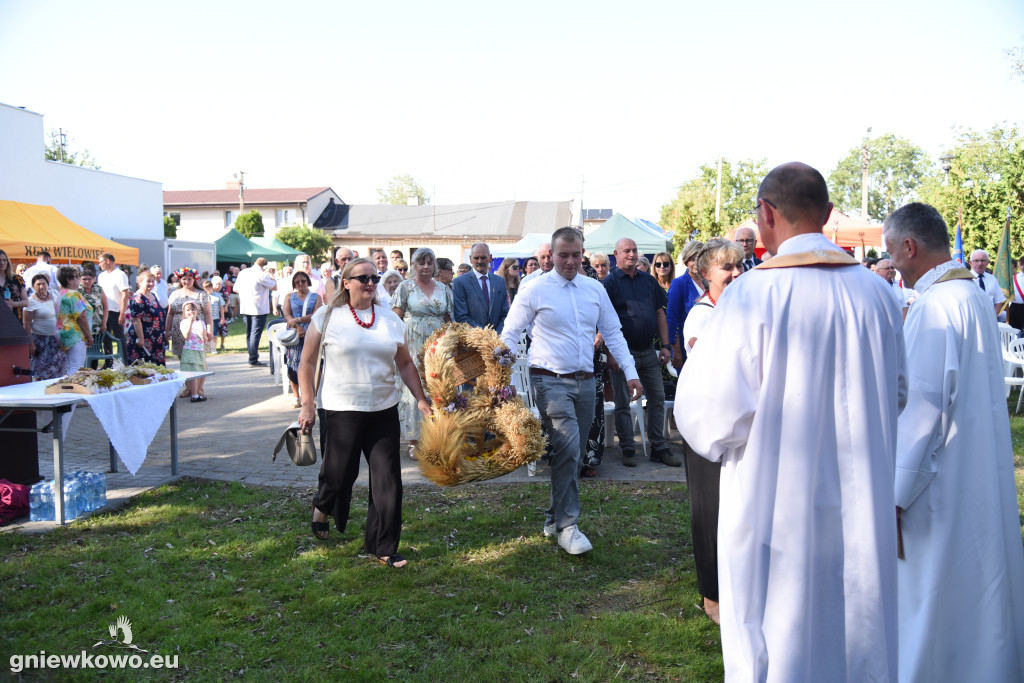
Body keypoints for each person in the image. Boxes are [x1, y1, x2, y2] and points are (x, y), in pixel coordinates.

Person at [676, 162, 906, 681]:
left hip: (776, 499)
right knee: (856, 629)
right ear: (827, 215)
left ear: (765, 216)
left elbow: (709, 418)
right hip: (859, 498)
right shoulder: (879, 295)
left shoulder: (751, 296)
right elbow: (897, 395)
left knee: (779, 631)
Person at [882, 202, 1024, 683]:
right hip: (973, 469)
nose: (892, 264)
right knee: (975, 589)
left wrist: (893, 497)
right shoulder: (971, 296)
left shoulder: (936, 307)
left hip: (936, 485)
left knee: (931, 596)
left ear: (909, 246)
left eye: (891, 253)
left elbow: (920, 412)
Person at [501, 227, 643, 555]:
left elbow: (612, 331)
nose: (568, 261)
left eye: (575, 255)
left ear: (583, 253)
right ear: (551, 255)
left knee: (574, 454)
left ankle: (553, 519)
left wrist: (632, 372)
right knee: (566, 447)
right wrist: (501, 372)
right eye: (562, 255)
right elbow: (510, 332)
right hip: (548, 380)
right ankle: (568, 525)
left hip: (587, 381)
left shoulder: (594, 289)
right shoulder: (534, 289)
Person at [299, 258, 431, 568]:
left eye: (374, 277)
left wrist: (421, 399)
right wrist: (307, 404)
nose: (370, 283)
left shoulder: (389, 320)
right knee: (339, 474)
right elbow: (306, 363)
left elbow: (406, 364)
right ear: (346, 282)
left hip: (383, 409)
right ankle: (323, 503)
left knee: (387, 480)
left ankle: (384, 546)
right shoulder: (327, 316)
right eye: (363, 278)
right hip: (339, 409)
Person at [677, 237, 744, 624]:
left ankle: (735, 584)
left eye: (739, 266)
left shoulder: (741, 308)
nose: (735, 273)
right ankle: (712, 595)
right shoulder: (702, 316)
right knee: (709, 510)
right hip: (705, 425)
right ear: (705, 274)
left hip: (737, 425)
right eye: (726, 268)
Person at [603, 238, 675, 467]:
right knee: (623, 403)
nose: (632, 254)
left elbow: (660, 314)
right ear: (616, 254)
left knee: (658, 399)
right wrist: (611, 354)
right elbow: (602, 322)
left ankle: (659, 448)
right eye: (627, 251)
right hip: (623, 354)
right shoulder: (609, 284)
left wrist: (665, 345)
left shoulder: (648, 281)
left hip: (648, 351)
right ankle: (628, 449)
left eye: (634, 250)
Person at [391, 248, 453, 456]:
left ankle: (436, 436)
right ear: (414, 265)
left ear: (435, 265)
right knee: (413, 391)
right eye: (421, 263)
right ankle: (414, 440)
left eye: (429, 262)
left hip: (437, 345)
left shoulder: (444, 289)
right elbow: (395, 318)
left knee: (437, 387)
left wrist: (452, 343)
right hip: (413, 345)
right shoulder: (405, 287)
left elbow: (448, 318)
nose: (425, 267)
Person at [166, 268, 213, 396]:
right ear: (180, 280)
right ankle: (189, 387)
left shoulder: (201, 294)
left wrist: (209, 330)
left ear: (194, 279)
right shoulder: (175, 294)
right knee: (184, 360)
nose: (186, 281)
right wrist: (167, 331)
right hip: (179, 331)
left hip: (198, 332)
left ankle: (199, 387)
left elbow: (208, 313)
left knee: (200, 359)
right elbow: (170, 314)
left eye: (189, 279)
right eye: (184, 279)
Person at [282, 270, 323, 408]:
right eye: (297, 281)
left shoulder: (316, 297)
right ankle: (296, 395)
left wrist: (299, 319)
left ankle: (313, 395)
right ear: (294, 284)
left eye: (303, 281)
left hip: (312, 331)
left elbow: (316, 314)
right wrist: (297, 326)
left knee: (315, 364)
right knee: (292, 364)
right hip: (294, 334)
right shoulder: (289, 297)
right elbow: (287, 314)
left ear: (308, 282)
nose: (300, 284)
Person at [453, 242, 509, 333]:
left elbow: (505, 314)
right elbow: (461, 316)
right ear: (470, 259)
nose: (479, 261)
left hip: (497, 340)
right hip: (472, 340)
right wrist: (484, 334)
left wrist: (496, 334)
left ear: (490, 258)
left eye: (483, 257)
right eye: (476, 258)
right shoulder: (460, 282)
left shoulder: (499, 281)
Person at [666, 241, 705, 370]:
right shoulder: (679, 284)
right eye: (691, 259)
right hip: (685, 346)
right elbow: (672, 320)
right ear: (686, 261)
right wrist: (676, 350)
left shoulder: (710, 281)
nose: (695, 262)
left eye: (698, 258)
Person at [234, 258, 276, 367]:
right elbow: (274, 286)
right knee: (255, 334)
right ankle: (253, 359)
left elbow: (235, 288)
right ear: (264, 266)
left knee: (249, 333)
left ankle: (252, 356)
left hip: (246, 306)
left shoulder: (243, 273)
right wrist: (271, 275)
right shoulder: (262, 274)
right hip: (259, 307)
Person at [23, 273, 66, 379]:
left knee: (58, 366)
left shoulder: (55, 294)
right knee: (40, 369)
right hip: (40, 340)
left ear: (48, 284)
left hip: (56, 338)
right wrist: (31, 343)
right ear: (33, 286)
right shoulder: (31, 301)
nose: (41, 287)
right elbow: (26, 324)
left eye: (44, 283)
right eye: (38, 284)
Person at [55, 266, 94, 375]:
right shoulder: (73, 294)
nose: (79, 280)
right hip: (75, 335)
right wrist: (89, 336)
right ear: (68, 279)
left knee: (69, 366)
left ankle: (68, 389)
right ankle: (73, 390)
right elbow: (81, 317)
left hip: (64, 335)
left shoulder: (61, 293)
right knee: (77, 367)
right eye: (76, 277)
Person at [124, 269, 166, 366]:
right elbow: (136, 319)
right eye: (148, 281)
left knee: (157, 369)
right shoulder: (138, 297)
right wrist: (141, 338)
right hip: (144, 338)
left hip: (156, 337)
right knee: (143, 368)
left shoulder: (153, 295)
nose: (151, 283)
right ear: (140, 282)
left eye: (152, 281)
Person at [97, 252, 130, 366]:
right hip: (104, 310)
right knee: (106, 337)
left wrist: (122, 313)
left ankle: (124, 362)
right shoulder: (101, 276)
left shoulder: (120, 274)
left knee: (119, 337)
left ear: (108, 261)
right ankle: (108, 362)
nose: (99, 264)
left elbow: (125, 294)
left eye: (100, 262)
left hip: (116, 310)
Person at [179, 302, 207, 402]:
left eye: (193, 309)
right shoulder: (184, 323)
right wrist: (190, 322)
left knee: (202, 371)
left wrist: (204, 336)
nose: (191, 312)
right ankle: (194, 395)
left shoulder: (201, 322)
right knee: (194, 373)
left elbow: (205, 338)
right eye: (188, 310)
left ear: (197, 311)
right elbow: (186, 336)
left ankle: (198, 391)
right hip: (190, 350)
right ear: (184, 312)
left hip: (200, 351)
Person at [77, 264, 106, 363]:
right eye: (84, 279)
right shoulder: (77, 290)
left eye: (89, 279)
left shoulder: (98, 289)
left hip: (97, 325)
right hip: (82, 326)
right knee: (82, 354)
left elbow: (105, 306)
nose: (87, 281)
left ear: (93, 279)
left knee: (95, 353)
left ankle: (93, 373)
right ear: (80, 280)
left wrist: (104, 323)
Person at [968, 248, 1005, 316]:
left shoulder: (992, 279)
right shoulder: (966, 279)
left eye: (983, 260)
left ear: (988, 262)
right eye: (976, 260)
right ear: (970, 263)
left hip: (989, 318)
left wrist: (993, 318)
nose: (980, 263)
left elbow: (998, 301)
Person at [0, 249, 29, 320]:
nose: (2, 263)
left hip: (14, 319)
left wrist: (13, 304)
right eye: (0, 260)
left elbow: (26, 302)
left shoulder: (17, 279)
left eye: (4, 260)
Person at [204, 278, 227, 353]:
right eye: (206, 289)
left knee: (214, 333)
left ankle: (213, 348)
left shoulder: (217, 295)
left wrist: (222, 318)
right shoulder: (203, 296)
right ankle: (207, 348)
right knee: (206, 333)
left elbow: (221, 306)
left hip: (215, 317)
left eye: (209, 288)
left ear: (212, 288)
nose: (208, 290)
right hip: (205, 318)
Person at [1010, 255, 1024, 333]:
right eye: (1021, 265)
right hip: (1015, 306)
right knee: (1015, 330)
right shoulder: (1014, 277)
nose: (1023, 267)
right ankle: (1015, 345)